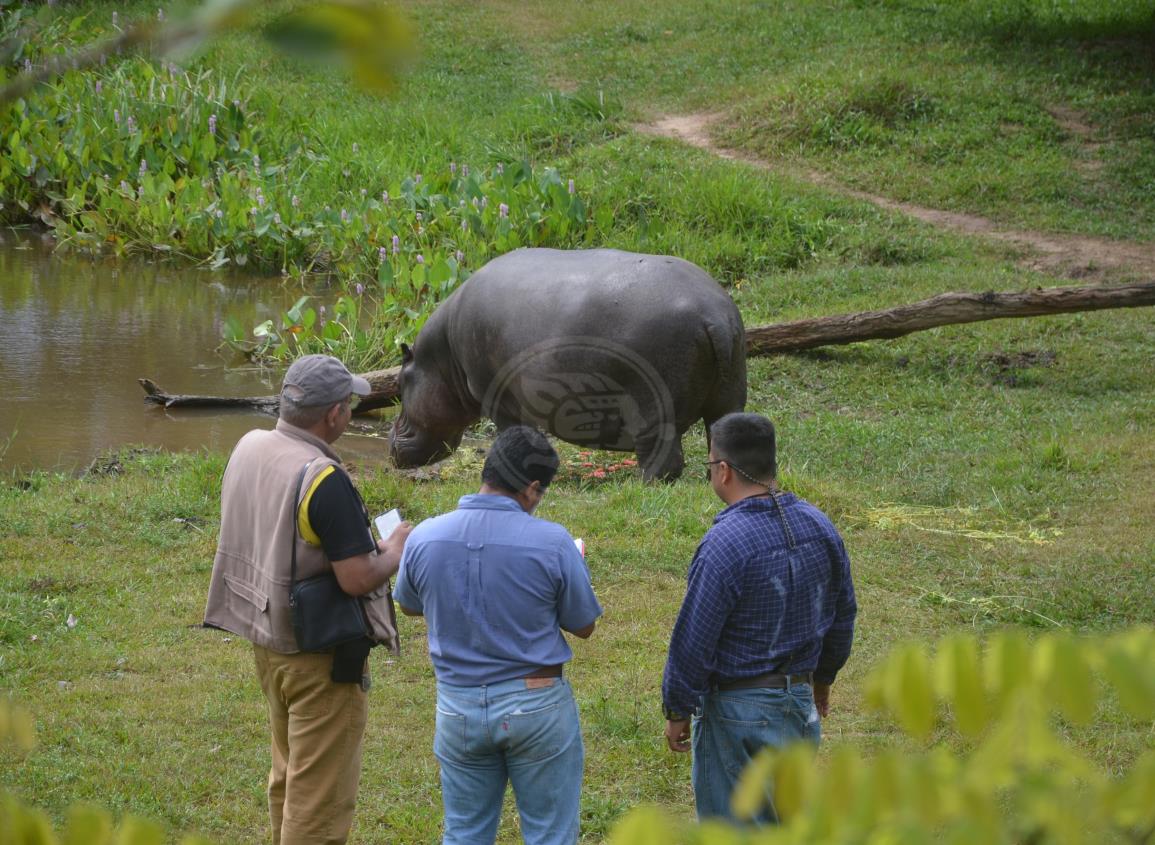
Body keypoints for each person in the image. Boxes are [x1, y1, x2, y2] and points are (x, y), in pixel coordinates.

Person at [204, 354, 412, 845]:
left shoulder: (250, 445)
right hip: (320, 660)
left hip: (268, 639)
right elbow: (358, 577)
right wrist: (395, 550)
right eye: (349, 405)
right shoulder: (323, 478)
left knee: (290, 776)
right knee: (318, 807)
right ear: (335, 415)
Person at [393, 425, 603, 845]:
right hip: (537, 704)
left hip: (457, 708)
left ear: (487, 471)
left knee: (465, 832)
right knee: (551, 835)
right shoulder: (553, 542)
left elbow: (409, 604)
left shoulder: (425, 536)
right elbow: (584, 625)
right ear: (532, 488)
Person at [661, 412, 856, 824]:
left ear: (724, 470)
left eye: (710, 464)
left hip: (737, 712)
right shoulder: (820, 526)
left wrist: (677, 708)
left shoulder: (724, 544)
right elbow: (843, 614)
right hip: (799, 705)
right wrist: (822, 680)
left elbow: (695, 637)